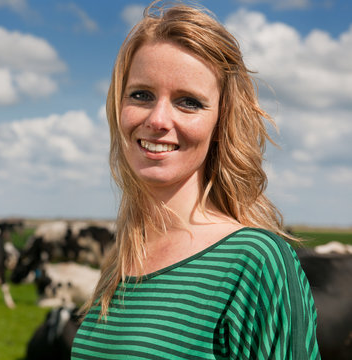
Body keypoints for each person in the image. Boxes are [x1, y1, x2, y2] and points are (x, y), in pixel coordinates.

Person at [71, 1, 320, 359]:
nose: (158, 119)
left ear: (220, 124)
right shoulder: (124, 258)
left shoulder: (253, 262)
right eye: (141, 95)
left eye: (188, 102)